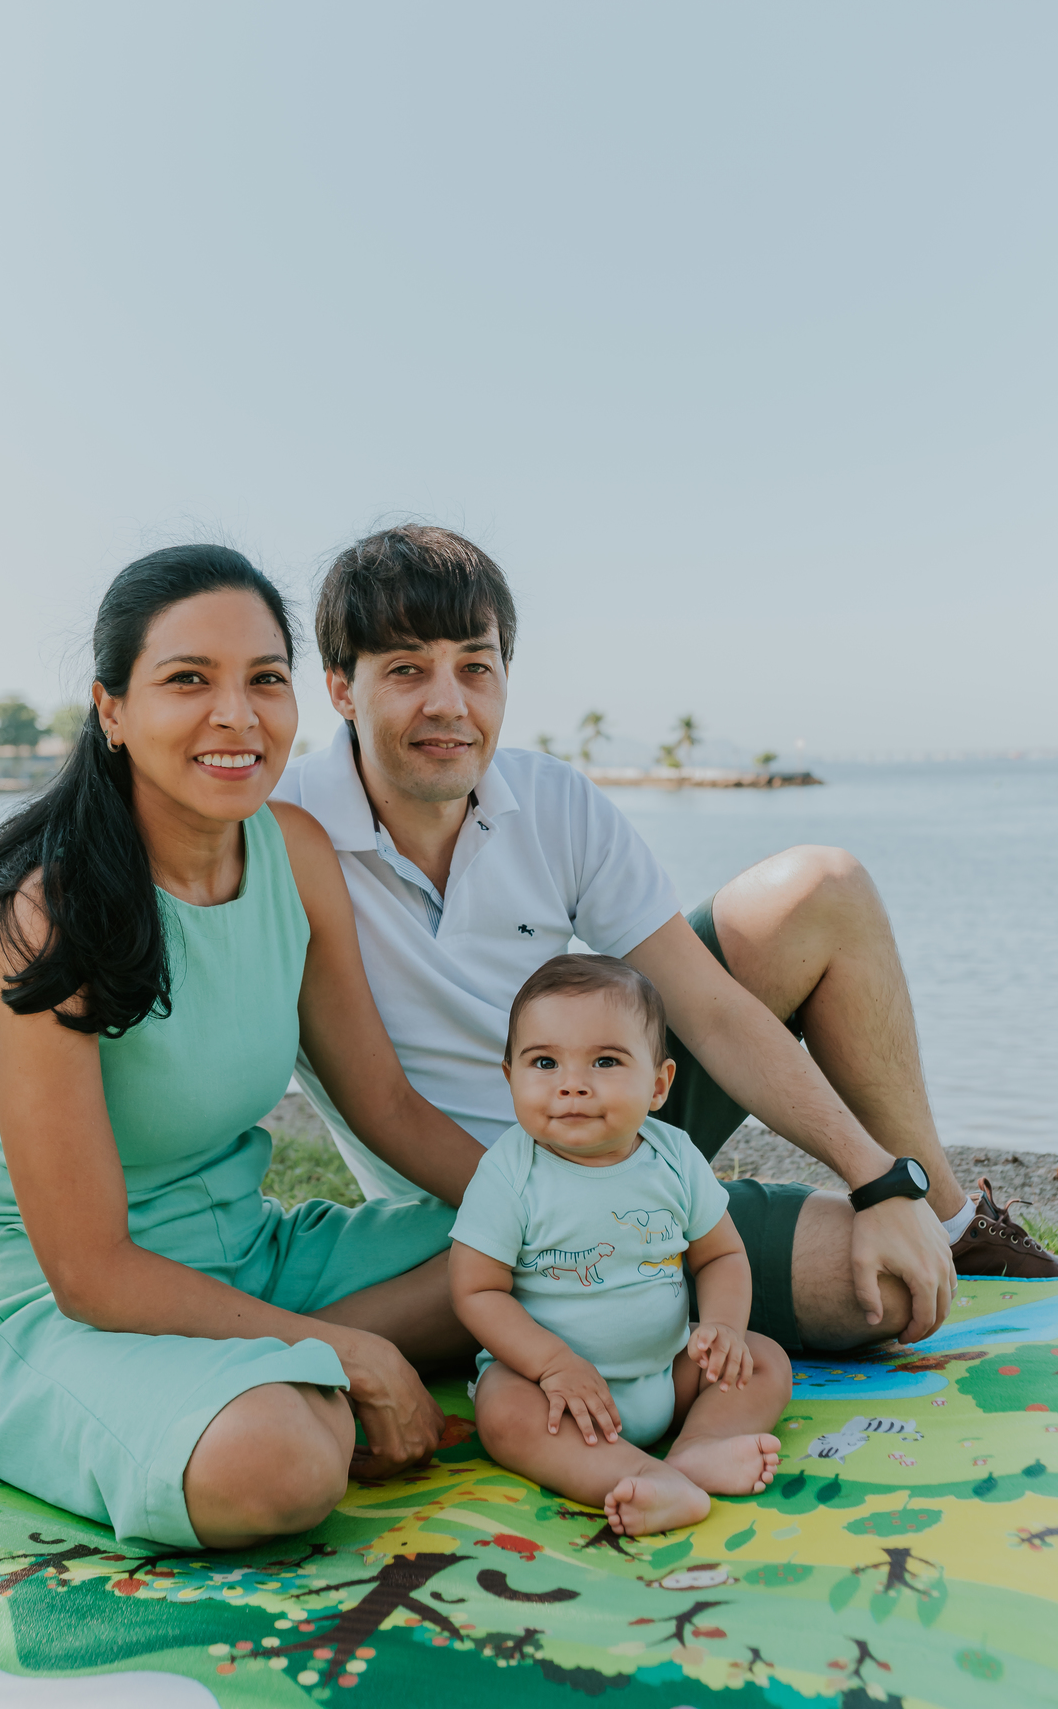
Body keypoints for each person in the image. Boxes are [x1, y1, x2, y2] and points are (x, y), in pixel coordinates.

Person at [274, 524, 1056, 1361]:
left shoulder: (550, 800)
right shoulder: (283, 839)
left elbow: (709, 1008)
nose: (448, 703)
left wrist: (877, 1175)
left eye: (475, 665)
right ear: (340, 689)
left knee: (823, 890)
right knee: (892, 1292)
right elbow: (365, 1099)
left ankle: (947, 1214)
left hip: (617, 1105)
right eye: (405, 670)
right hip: (473, 1203)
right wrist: (581, 1204)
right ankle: (711, 1224)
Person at [0, 544, 489, 1551]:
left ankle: (304, 1371)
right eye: (188, 680)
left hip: (249, 1264)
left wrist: (555, 1204)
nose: (237, 716)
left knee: (532, 1251)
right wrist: (351, 1355)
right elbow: (91, 1273)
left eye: (264, 681)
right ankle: (305, 1388)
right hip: (61, 1319)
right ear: (112, 710)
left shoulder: (297, 854)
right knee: (278, 1460)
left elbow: (388, 1106)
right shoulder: (53, 915)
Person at [450, 955, 791, 1538]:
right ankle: (635, 1475)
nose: (573, 1083)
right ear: (509, 1077)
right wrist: (553, 1365)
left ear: (658, 1085)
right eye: (544, 1061)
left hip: (666, 1372)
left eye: (605, 1061)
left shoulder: (673, 1157)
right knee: (502, 1411)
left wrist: (725, 1329)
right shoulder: (510, 1172)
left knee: (764, 1361)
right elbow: (476, 1290)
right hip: (551, 1392)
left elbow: (721, 1256)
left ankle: (699, 1447)